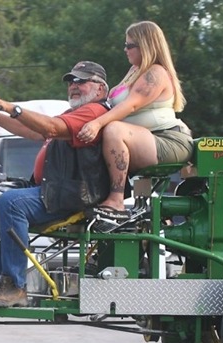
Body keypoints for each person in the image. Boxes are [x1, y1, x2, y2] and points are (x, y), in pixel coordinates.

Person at [0, 61, 110, 308]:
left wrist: (5, 105)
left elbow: (50, 128)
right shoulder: (73, 114)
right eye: (71, 81)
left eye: (81, 81)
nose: (74, 86)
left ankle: (14, 287)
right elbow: (34, 131)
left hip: (72, 195)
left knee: (12, 203)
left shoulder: (94, 112)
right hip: (54, 190)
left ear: (100, 89)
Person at [78, 21, 193, 221]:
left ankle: (116, 200)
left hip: (168, 140)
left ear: (146, 45)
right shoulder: (134, 71)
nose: (125, 50)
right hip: (146, 140)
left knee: (114, 130)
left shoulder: (155, 73)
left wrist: (97, 123)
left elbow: (130, 105)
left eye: (130, 45)